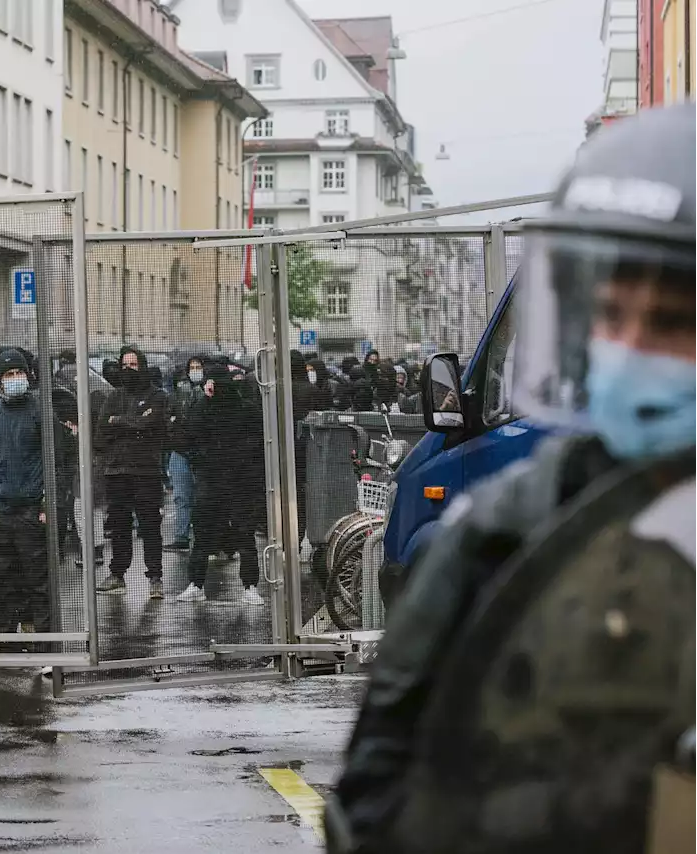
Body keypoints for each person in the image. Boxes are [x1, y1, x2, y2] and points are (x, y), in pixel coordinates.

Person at [327, 104, 697, 854]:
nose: (627, 352)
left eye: (668, 321)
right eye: (608, 317)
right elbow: (378, 796)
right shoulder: (508, 526)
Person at [0, 349, 52, 643]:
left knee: (39, 584)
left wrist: (48, 506)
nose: (16, 379)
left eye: (20, 373)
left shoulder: (41, 412)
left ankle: (45, 647)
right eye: (9, 375)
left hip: (31, 511)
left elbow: (56, 463)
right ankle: (3, 642)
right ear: (0, 381)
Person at [175, 361, 267, 603]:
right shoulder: (241, 408)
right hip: (232, 480)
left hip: (219, 480)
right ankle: (246, 587)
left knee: (209, 535)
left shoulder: (208, 407)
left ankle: (199, 584)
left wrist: (201, 461)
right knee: (239, 535)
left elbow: (186, 440)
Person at [94, 346, 170, 599]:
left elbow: (149, 424)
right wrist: (129, 423)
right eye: (124, 364)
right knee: (119, 526)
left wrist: (119, 422)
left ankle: (155, 577)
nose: (127, 369)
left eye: (133, 364)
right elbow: (102, 431)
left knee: (149, 525)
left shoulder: (157, 395)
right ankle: (117, 574)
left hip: (146, 472)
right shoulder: (113, 396)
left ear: (143, 366)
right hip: (117, 472)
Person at [164, 355, 206, 552]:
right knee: (182, 496)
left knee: (201, 497)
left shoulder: (206, 393)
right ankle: (181, 537)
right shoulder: (178, 395)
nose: (195, 370)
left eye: (199, 367)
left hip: (200, 453)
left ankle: (203, 538)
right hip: (181, 451)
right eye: (193, 367)